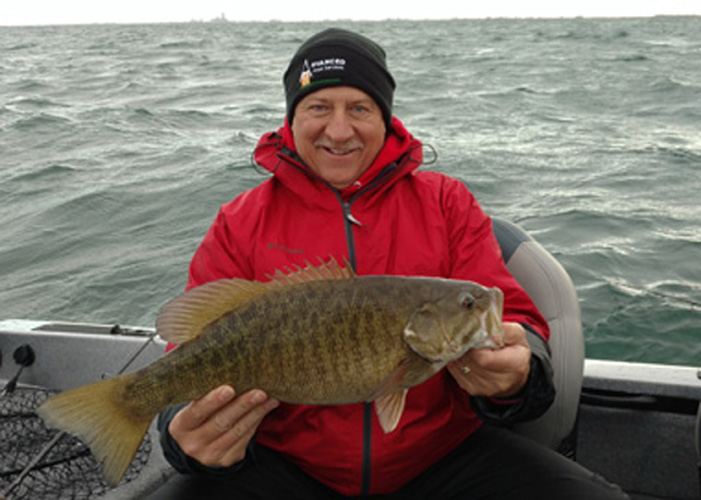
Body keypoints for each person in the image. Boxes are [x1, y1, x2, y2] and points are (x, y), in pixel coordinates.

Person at [150, 28, 627, 499]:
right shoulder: (239, 222)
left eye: (359, 108)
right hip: (282, 466)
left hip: (442, 458)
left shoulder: (447, 204)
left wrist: (519, 375)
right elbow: (187, 356)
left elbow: (518, 323)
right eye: (318, 107)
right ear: (291, 118)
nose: (339, 130)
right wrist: (183, 437)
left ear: (385, 117)